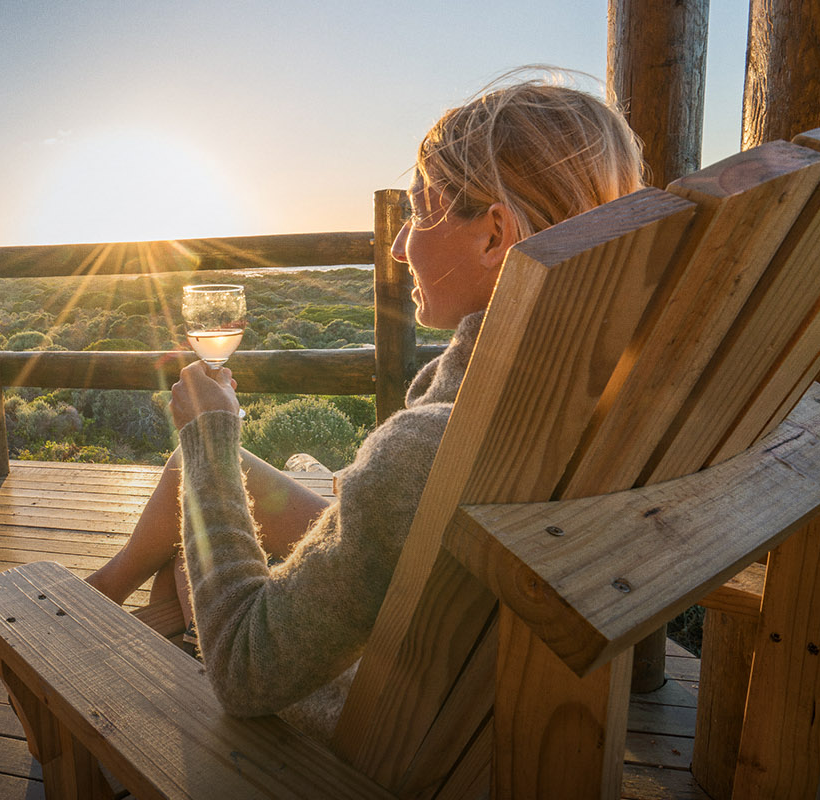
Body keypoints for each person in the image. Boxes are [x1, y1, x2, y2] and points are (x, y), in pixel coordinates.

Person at [85, 69, 647, 742]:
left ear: (494, 235)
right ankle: (105, 594)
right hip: (482, 655)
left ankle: (81, 623)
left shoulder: (426, 446)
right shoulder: (607, 373)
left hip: (388, 722)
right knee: (197, 484)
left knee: (198, 517)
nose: (400, 245)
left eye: (417, 211)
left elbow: (244, 669)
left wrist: (209, 433)